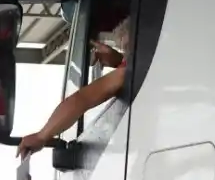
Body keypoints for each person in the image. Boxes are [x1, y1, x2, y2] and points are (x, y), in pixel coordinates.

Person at [17, 10, 131, 159]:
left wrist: (42, 136)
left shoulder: (125, 73)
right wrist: (118, 60)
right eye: (124, 49)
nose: (126, 54)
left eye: (127, 49)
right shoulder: (140, 67)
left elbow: (82, 99)